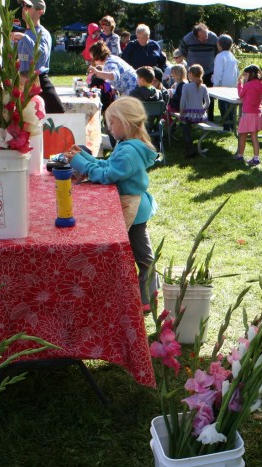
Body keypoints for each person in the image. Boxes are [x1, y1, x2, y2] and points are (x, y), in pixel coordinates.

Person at [65, 97, 158, 310]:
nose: (109, 128)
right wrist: (85, 159)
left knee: (143, 258)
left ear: (126, 122)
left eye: (112, 123)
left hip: (133, 209)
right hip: (132, 205)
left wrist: (80, 163)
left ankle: (146, 300)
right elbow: (107, 164)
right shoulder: (127, 146)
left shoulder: (128, 151)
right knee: (141, 254)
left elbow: (108, 175)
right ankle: (144, 296)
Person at [16, 0, 63, 114]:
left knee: (57, 115)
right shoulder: (23, 34)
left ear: (40, 11)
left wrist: (24, 38)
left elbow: (40, 59)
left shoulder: (43, 33)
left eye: (28, 6)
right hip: (21, 82)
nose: (24, 8)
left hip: (39, 82)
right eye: (23, 5)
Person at [178, 23, 217, 120]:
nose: (206, 39)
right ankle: (190, 116)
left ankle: (209, 117)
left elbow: (217, 51)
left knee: (208, 95)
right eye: (203, 38)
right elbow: (182, 52)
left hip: (209, 72)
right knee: (192, 95)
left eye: (206, 36)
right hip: (193, 73)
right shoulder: (187, 39)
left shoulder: (214, 38)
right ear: (196, 36)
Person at [235, 64, 262, 167]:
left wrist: (239, 84)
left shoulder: (247, 85)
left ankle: (240, 154)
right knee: (254, 136)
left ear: (250, 74)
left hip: (247, 114)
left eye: (245, 75)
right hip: (257, 114)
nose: (244, 77)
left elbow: (241, 95)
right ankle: (256, 157)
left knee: (242, 134)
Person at [179, 64, 210, 158]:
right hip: (200, 116)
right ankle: (193, 148)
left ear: (191, 74)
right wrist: (202, 110)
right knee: (187, 126)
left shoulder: (186, 86)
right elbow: (208, 102)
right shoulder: (203, 86)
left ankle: (190, 149)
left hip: (189, 115)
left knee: (185, 129)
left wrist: (181, 113)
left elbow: (182, 102)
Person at [212, 34, 238, 131]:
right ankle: (232, 125)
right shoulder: (232, 56)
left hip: (222, 85)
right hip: (232, 84)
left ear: (219, 44)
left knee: (223, 106)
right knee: (231, 107)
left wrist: (215, 84)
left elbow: (218, 72)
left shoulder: (220, 56)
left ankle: (226, 127)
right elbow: (236, 71)